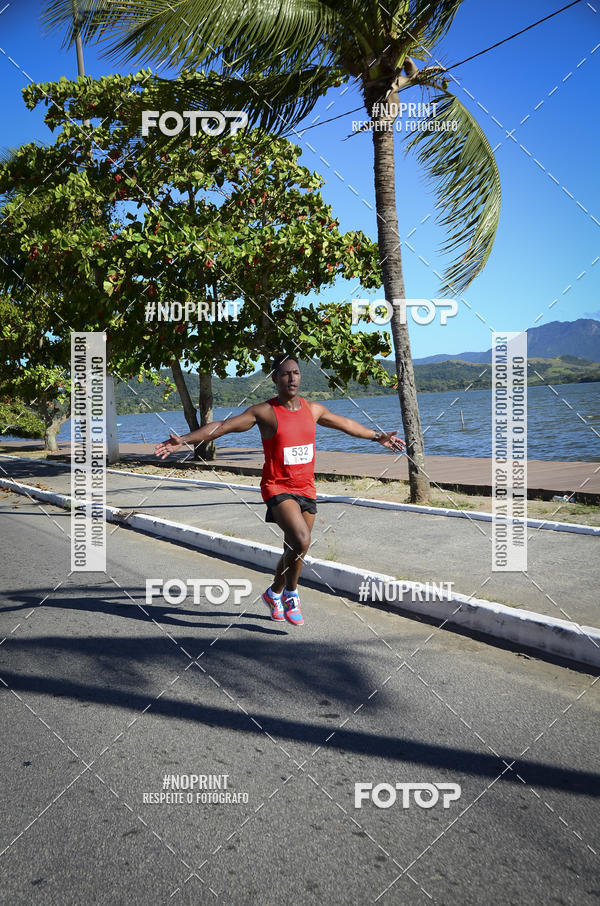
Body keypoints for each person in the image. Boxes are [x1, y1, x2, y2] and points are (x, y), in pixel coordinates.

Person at [154, 354, 405, 627]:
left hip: (306, 487)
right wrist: (185, 440)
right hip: (277, 486)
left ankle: (273, 592)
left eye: (296, 373)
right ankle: (291, 594)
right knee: (302, 539)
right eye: (285, 374)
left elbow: (346, 424)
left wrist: (377, 436)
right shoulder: (263, 412)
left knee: (293, 549)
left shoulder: (313, 410)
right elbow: (221, 427)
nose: (292, 378)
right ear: (275, 379)